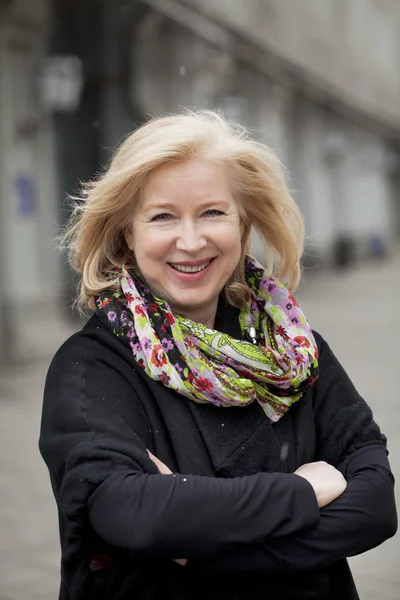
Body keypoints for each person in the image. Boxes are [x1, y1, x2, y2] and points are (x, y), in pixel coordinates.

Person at [39, 109, 397, 600]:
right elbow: (132, 514)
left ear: (243, 222)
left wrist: (202, 544)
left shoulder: (291, 350)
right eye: (163, 216)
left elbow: (376, 506)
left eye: (212, 212)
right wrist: (304, 491)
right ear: (128, 232)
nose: (191, 241)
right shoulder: (90, 367)